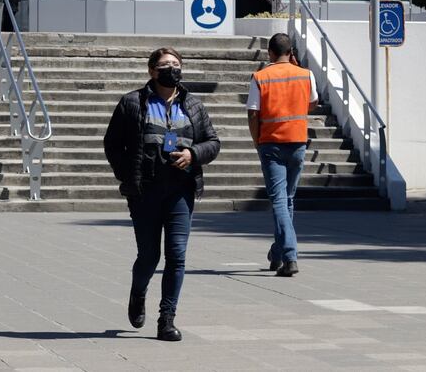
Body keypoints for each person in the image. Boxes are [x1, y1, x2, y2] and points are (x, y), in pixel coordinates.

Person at [104, 47, 220, 342]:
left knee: (177, 256)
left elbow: (212, 142)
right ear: (152, 71)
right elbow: (113, 144)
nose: (173, 69)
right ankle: (138, 292)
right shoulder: (133, 102)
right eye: (166, 65)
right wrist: (127, 174)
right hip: (145, 191)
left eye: (177, 64)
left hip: (181, 189)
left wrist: (193, 155)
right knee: (149, 255)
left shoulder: (192, 104)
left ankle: (166, 319)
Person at [246, 32, 318, 278]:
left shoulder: (260, 77)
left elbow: (253, 113)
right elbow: (313, 102)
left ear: (270, 53)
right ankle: (277, 253)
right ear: (291, 52)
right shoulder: (305, 74)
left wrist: (257, 142)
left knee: (278, 200)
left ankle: (290, 255)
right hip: (298, 142)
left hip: (271, 144)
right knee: (287, 199)